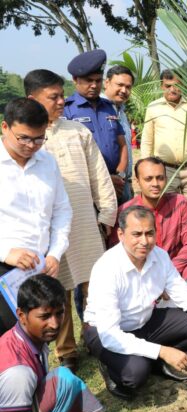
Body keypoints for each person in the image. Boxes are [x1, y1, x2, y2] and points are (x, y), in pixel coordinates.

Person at [24, 69, 118, 372]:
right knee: (57, 287)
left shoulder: (77, 131)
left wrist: (106, 213)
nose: (62, 101)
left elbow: (99, 175)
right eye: (54, 97)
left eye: (62, 94)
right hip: (48, 229)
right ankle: (66, 351)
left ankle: (98, 336)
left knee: (96, 283)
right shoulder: (27, 139)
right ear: (32, 99)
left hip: (84, 222)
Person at [83, 205, 187, 400]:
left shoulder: (160, 256)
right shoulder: (107, 268)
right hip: (105, 332)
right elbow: (110, 334)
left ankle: (155, 360)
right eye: (137, 234)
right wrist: (163, 350)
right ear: (121, 234)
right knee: (135, 375)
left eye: (149, 233)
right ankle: (111, 365)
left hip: (145, 322)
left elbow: (185, 296)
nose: (144, 241)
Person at [0, 275, 106, 412]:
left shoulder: (28, 338)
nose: (55, 324)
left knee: (63, 380)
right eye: (45, 316)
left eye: (59, 313)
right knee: (63, 380)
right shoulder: (18, 372)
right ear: (21, 315)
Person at [0, 98, 72, 336]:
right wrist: (6, 252)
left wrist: (54, 253)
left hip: (38, 268)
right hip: (4, 268)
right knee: (9, 335)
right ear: (5, 127)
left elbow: (62, 210)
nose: (32, 145)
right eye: (24, 138)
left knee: (38, 333)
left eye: (39, 138)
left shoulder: (48, 162)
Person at [110, 157, 187, 295]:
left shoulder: (179, 203)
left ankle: (184, 313)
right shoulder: (126, 212)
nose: (155, 183)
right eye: (148, 179)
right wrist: (153, 276)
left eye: (160, 178)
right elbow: (118, 253)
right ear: (138, 182)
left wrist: (167, 271)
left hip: (175, 271)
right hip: (142, 279)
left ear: (166, 179)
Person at [141, 69, 187, 240]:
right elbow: (147, 140)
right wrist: (144, 168)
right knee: (164, 213)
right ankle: (166, 254)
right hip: (164, 171)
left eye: (177, 86)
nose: (172, 90)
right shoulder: (154, 107)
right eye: (168, 86)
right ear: (161, 86)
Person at [63, 49, 128, 203]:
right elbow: (69, 157)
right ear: (75, 79)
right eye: (88, 80)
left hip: (117, 183)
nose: (94, 85)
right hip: (87, 185)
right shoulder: (67, 110)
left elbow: (122, 145)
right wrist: (104, 180)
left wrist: (119, 176)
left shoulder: (108, 107)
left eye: (98, 81)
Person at [104, 65, 135, 202]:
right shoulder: (97, 110)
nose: (124, 90)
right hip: (108, 183)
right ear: (107, 82)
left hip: (124, 183)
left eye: (128, 87)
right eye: (120, 85)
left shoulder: (121, 111)